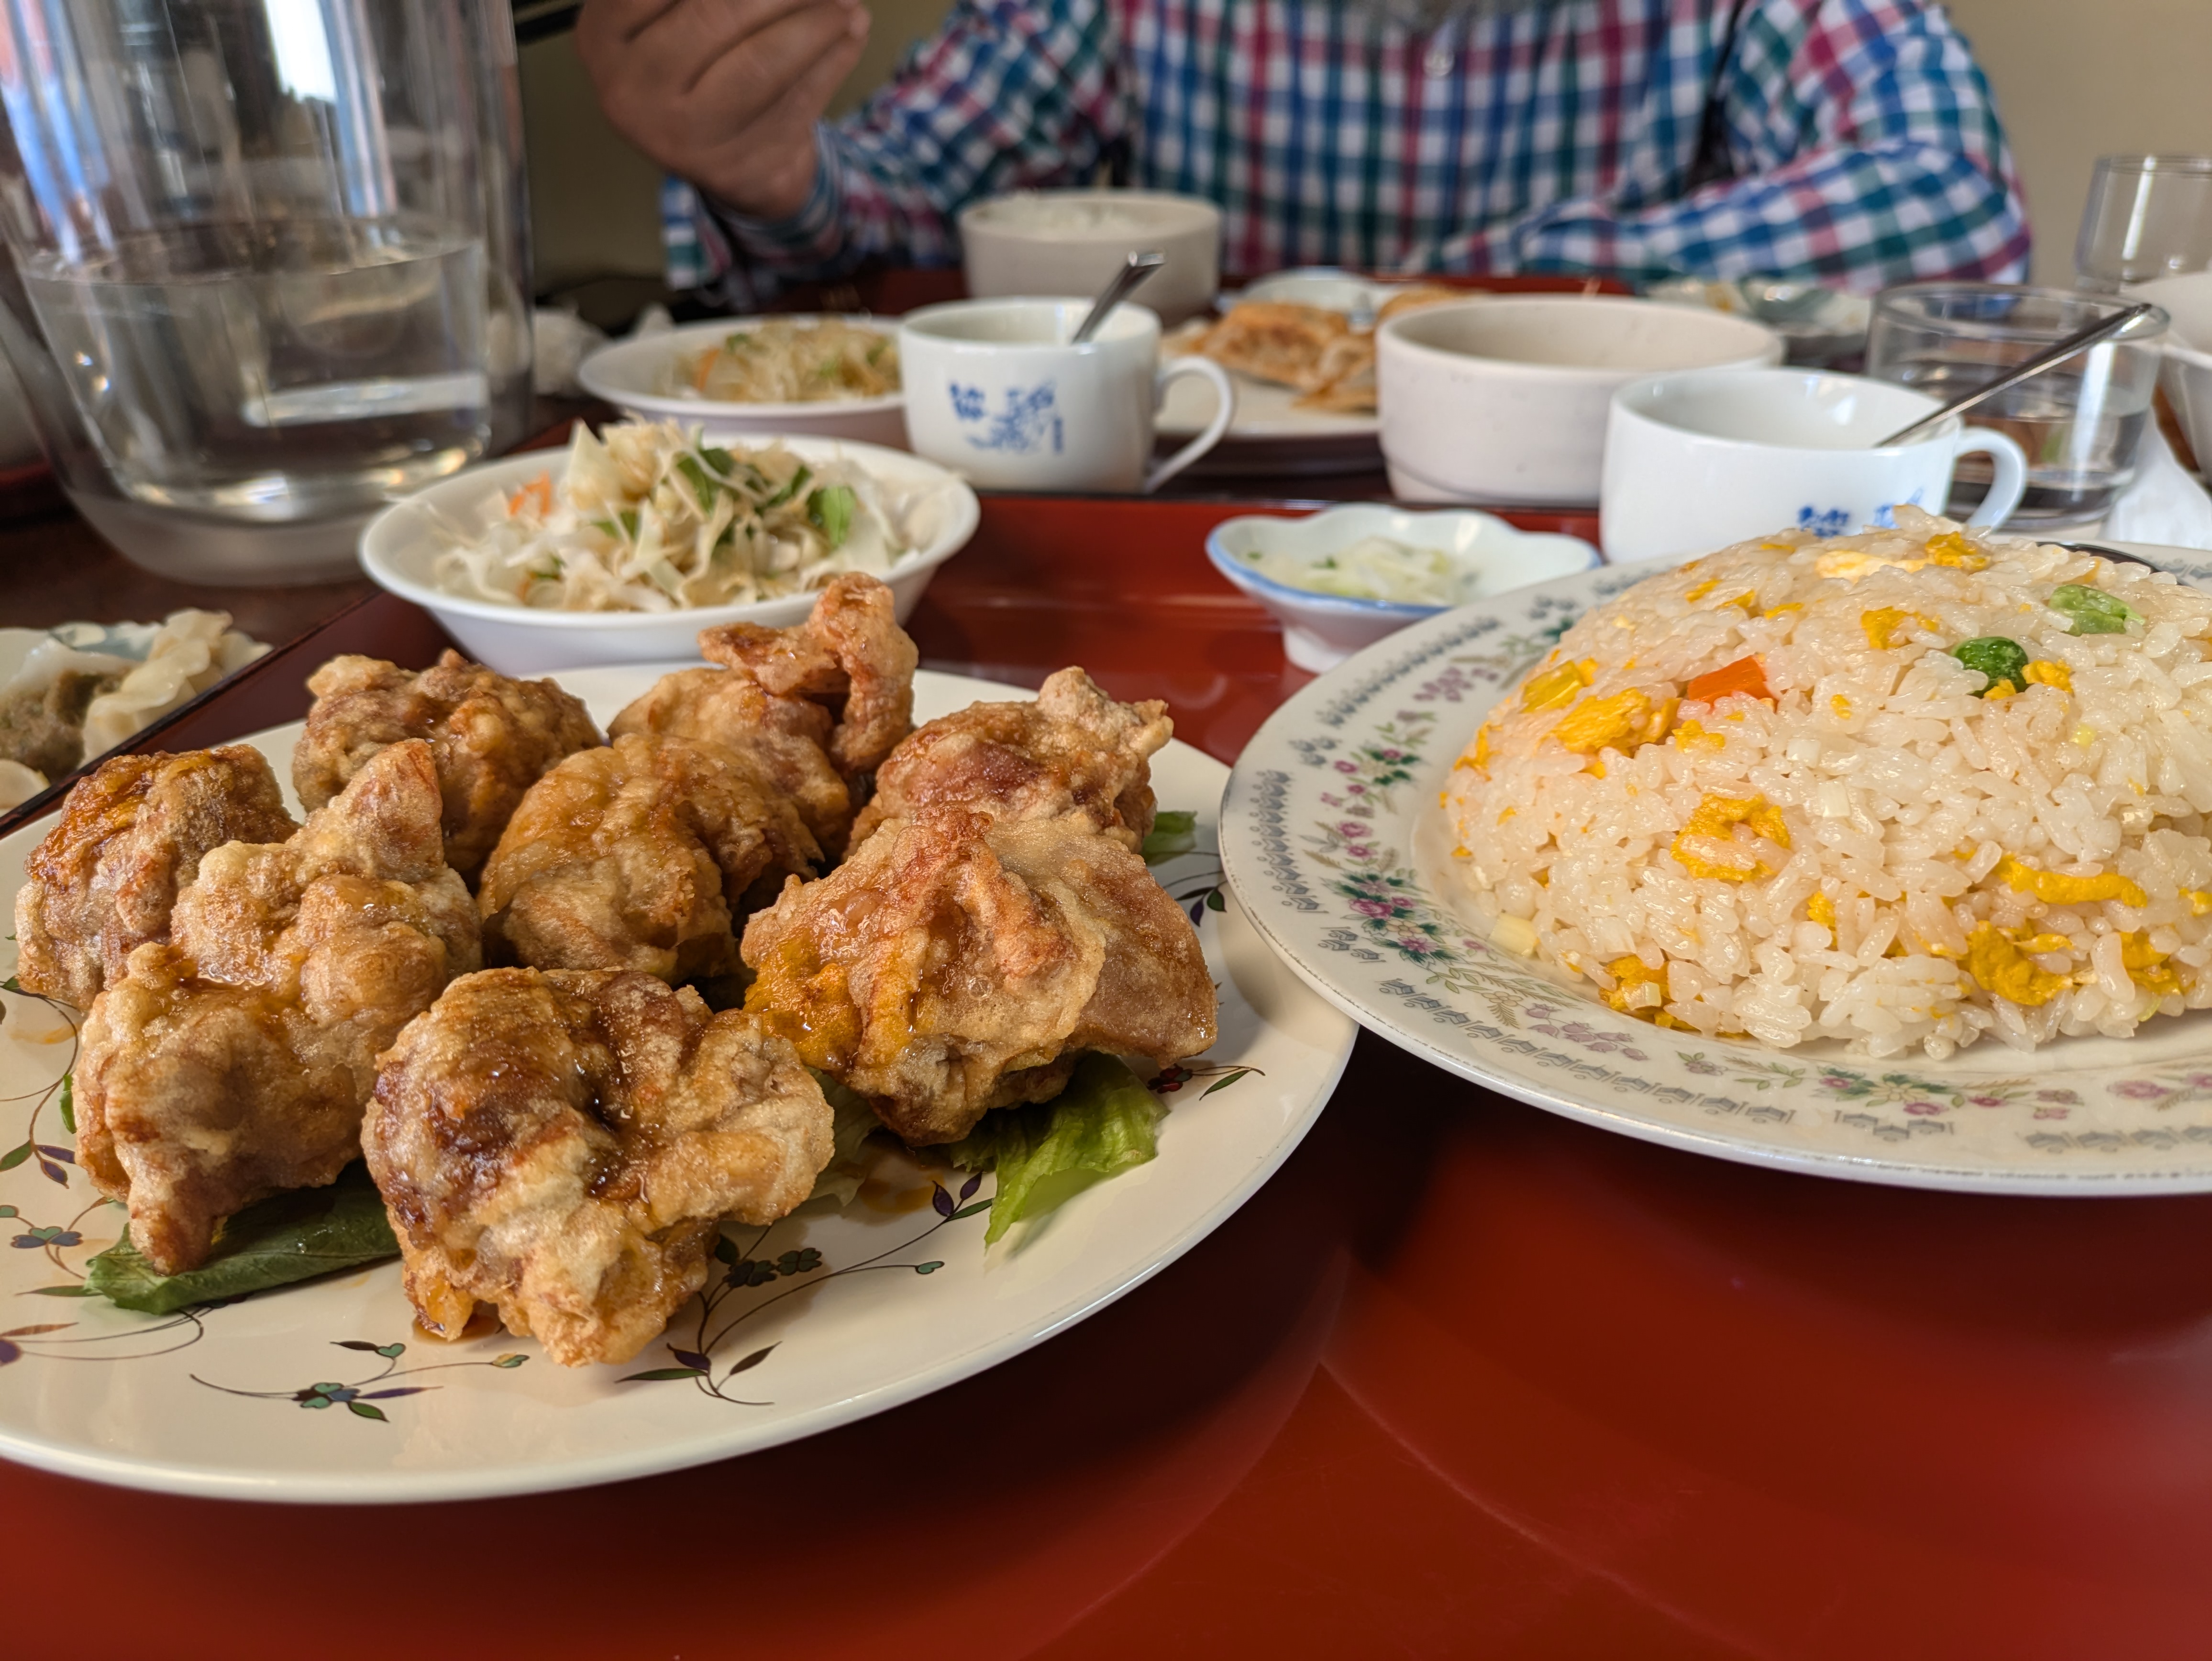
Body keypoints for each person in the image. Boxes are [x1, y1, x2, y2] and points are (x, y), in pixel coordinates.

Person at [577, 0, 2030, 308]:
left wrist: (1426, 301)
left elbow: (1952, 209)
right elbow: (895, 223)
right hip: (1167, 537)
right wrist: (764, 170)